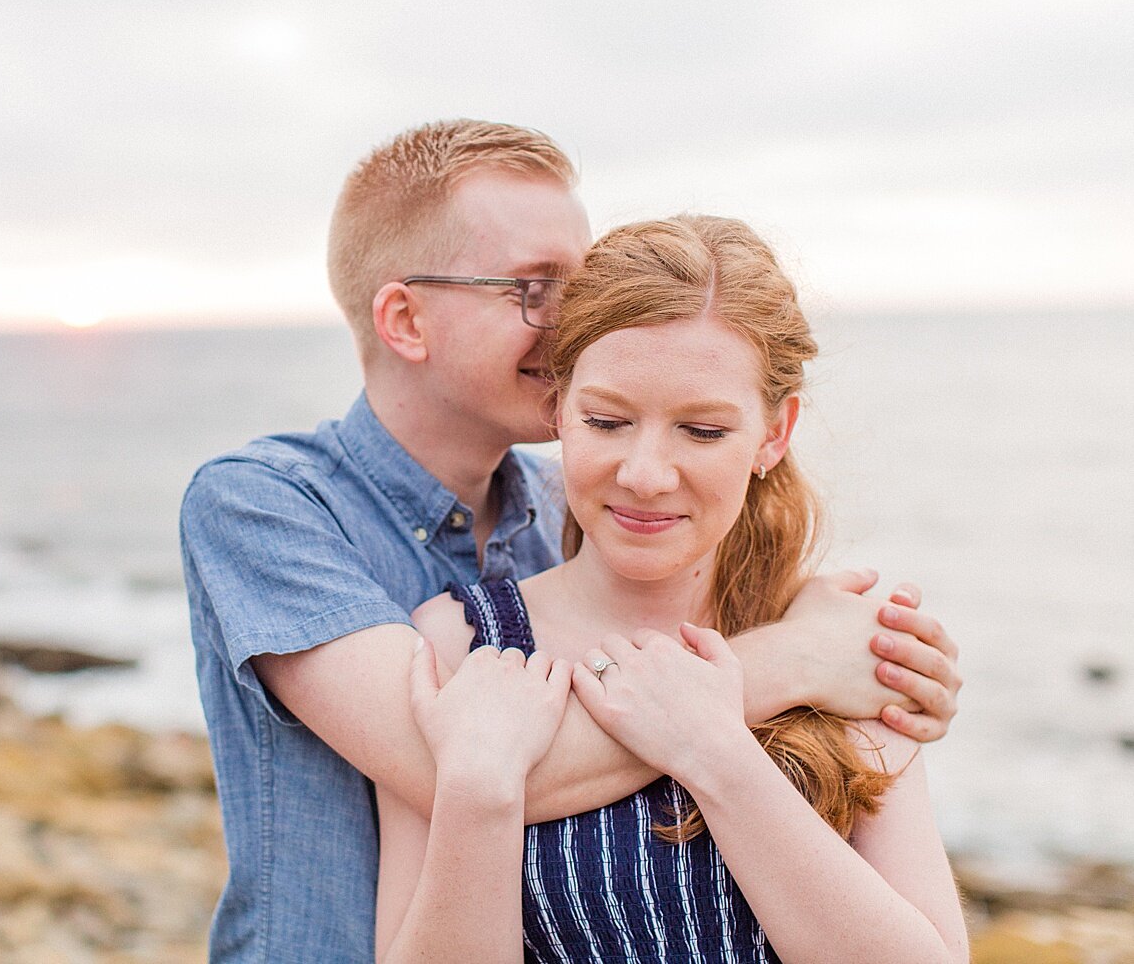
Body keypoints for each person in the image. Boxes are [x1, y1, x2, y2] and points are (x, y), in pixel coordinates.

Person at [180, 120, 963, 963]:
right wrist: (796, 663)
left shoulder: (582, 508)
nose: (574, 322)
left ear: (773, 434)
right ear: (405, 318)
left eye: (581, 283)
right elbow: (452, 770)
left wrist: (881, 671)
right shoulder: (265, 506)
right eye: (534, 289)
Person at [377, 215, 969, 963]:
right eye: (607, 420)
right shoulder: (460, 646)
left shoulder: (841, 640)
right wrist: (479, 793)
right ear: (557, 410)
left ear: (774, 433)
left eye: (703, 431)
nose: (647, 475)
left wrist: (714, 752)